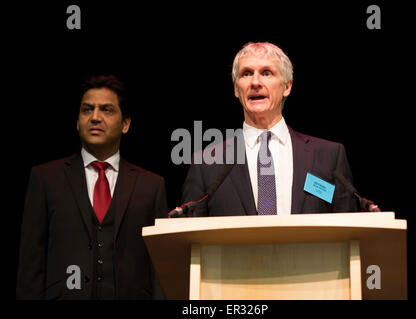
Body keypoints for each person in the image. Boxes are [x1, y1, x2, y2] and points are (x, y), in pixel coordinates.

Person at [16, 75, 167, 299]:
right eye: (87, 110)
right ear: (77, 122)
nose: (95, 117)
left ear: (125, 124)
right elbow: (31, 264)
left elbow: (159, 268)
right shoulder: (45, 178)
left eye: (106, 110)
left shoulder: (152, 185)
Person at [181, 42, 358, 216]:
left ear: (287, 86)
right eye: (247, 73)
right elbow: (189, 236)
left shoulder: (329, 156)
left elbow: (350, 228)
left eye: (267, 73)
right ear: (236, 88)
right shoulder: (206, 164)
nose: (255, 82)